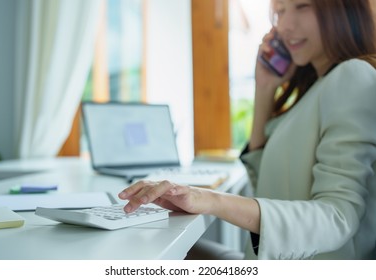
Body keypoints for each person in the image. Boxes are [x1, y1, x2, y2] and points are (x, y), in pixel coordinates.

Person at [118, 0, 376, 260]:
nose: (285, 25)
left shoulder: (351, 76)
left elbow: (339, 217)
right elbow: (267, 185)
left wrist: (210, 200)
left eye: (302, 6)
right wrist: (264, 88)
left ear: (344, 8)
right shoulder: (318, 87)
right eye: (280, 12)